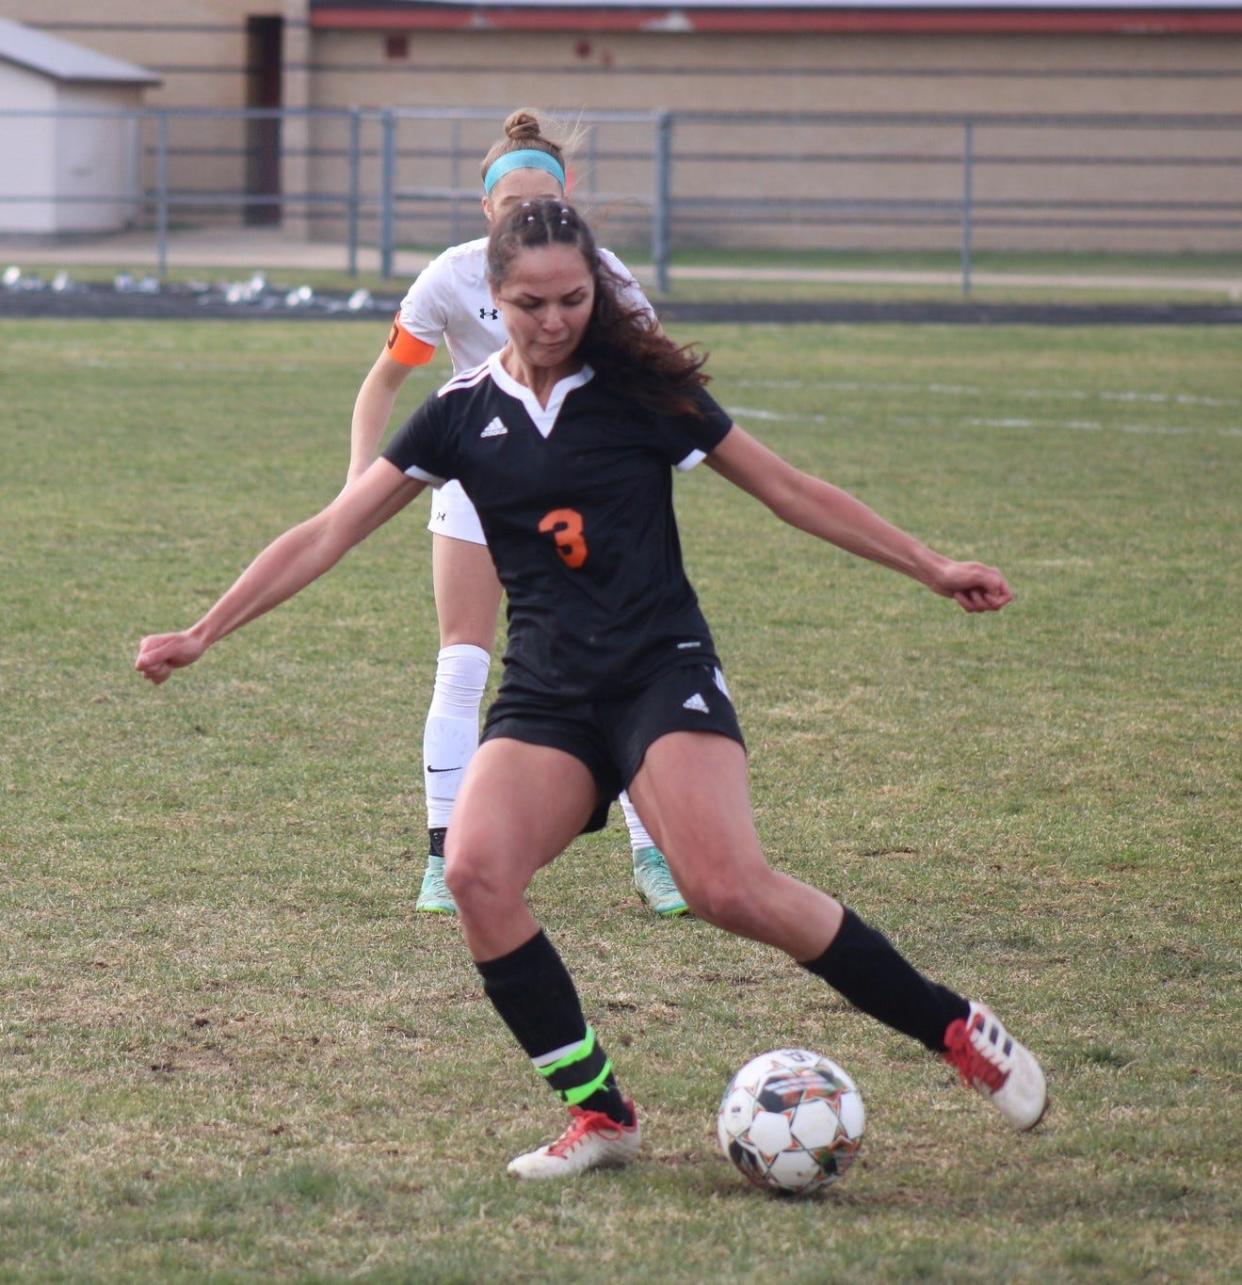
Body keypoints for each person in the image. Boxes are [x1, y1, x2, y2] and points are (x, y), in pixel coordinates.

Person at [137, 198, 1048, 1182]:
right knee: (475, 873)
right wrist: (202, 631)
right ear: (494, 298)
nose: (555, 318)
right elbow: (328, 531)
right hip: (549, 694)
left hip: (660, 670)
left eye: (574, 298)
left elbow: (788, 488)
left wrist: (928, 564)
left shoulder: (637, 391)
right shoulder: (460, 416)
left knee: (725, 886)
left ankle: (954, 1026)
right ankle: (600, 1111)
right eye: (531, 302)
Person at [346, 108, 686, 918]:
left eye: (549, 207)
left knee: (613, 660)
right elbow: (384, 380)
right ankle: (441, 855)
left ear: (570, 211)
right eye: (515, 207)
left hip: (577, 494)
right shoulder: (450, 277)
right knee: (462, 663)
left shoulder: (598, 274)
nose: (533, 220)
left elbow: (661, 371)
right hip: (478, 482)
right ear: (487, 212)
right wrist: (359, 482)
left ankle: (652, 854)